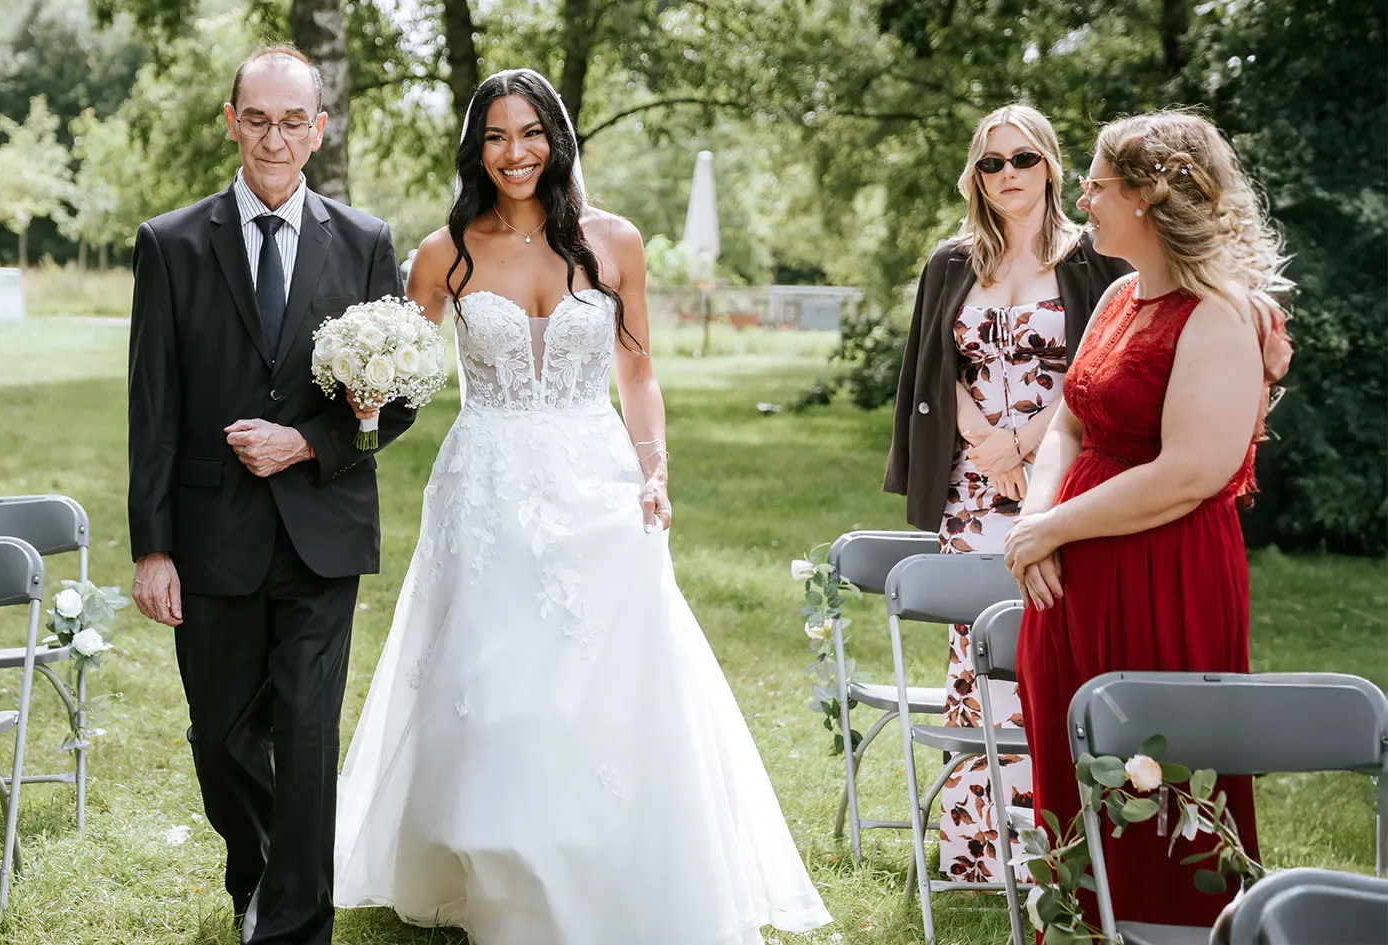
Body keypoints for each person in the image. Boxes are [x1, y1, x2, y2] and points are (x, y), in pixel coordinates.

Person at [333, 70, 832, 944]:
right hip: (483, 482)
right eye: (494, 136)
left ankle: (601, 846)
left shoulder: (615, 243)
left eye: (530, 133)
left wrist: (656, 471)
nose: (514, 152)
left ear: (558, 138)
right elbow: (403, 373)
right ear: (473, 148)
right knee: (489, 682)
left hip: (594, 475)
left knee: (596, 671)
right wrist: (365, 392)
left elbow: (636, 372)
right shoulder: (443, 250)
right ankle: (496, 858)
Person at [125, 45, 417, 945]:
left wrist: (311, 441)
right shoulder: (172, 242)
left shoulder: (364, 241)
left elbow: (395, 405)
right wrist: (153, 545)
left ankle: (292, 923)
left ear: (319, 129)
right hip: (211, 535)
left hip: (323, 533)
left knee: (307, 734)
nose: (275, 138)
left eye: (294, 121)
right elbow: (153, 404)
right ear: (231, 120)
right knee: (219, 739)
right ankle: (258, 873)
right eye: (258, 118)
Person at [1005, 111, 1291, 927]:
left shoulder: (1219, 314)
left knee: (1162, 784)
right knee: (1075, 777)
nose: (1084, 199)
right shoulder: (1122, 296)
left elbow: (1190, 472)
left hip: (1161, 571)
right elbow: (1066, 423)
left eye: (1096, 184)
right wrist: (1036, 523)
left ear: (1150, 193)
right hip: (1071, 571)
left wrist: (1055, 529)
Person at [882, 104, 1130, 884]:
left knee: (1048, 642)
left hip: (1061, 475)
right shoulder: (952, 260)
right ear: (975, 175)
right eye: (991, 164)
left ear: (1051, 165)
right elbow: (933, 367)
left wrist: (1025, 446)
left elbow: (1102, 367)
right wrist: (988, 446)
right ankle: (978, 852)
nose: (1008, 176)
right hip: (971, 483)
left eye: (1022, 159)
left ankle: (1057, 847)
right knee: (974, 652)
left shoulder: (1094, 258)